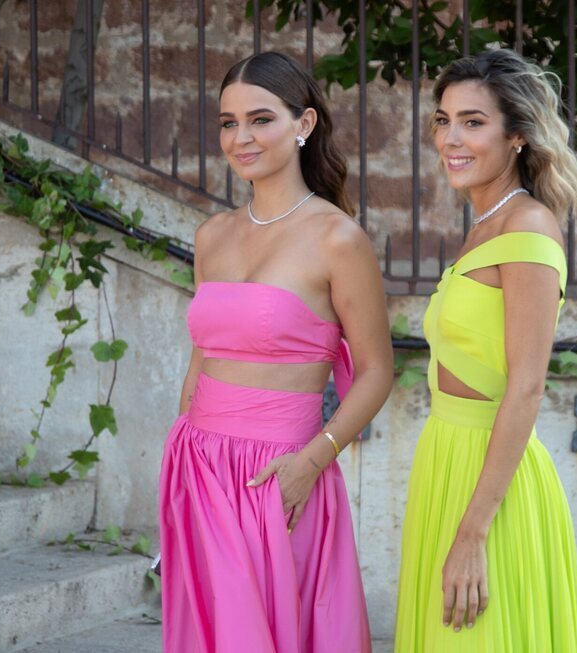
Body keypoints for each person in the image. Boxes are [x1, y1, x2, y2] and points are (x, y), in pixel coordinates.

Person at [158, 50, 393, 653]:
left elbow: (375, 373)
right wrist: (182, 465)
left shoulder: (338, 239)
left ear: (304, 125)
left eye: (261, 119)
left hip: (281, 474)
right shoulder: (211, 236)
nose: (242, 138)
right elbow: (202, 355)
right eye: (229, 122)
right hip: (200, 468)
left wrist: (311, 463)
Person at [394, 48, 577, 652]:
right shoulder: (485, 226)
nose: (452, 138)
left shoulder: (527, 229)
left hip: (489, 483)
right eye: (444, 120)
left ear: (518, 138)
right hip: (446, 459)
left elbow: (528, 386)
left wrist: (473, 531)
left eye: (474, 122)